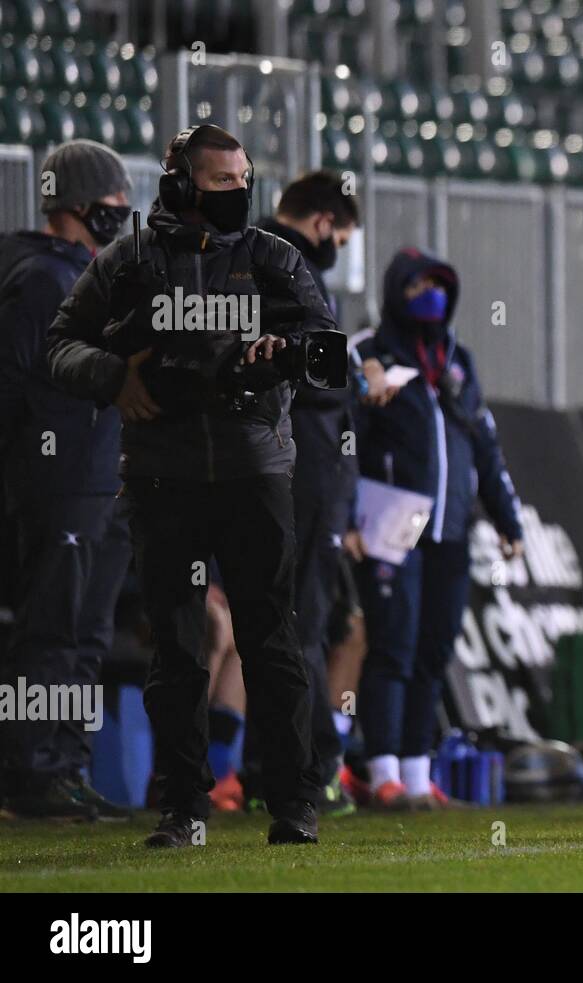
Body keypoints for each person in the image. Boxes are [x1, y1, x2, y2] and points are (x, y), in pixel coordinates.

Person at [45, 123, 334, 847]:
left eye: (244, 181)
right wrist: (116, 377)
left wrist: (282, 356)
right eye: (223, 183)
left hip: (253, 468)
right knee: (175, 648)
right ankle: (183, 809)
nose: (240, 194)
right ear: (180, 188)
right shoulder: (128, 262)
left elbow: (328, 352)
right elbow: (58, 345)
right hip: (161, 473)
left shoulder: (274, 259)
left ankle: (295, 802)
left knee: (271, 638)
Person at [352, 248, 523, 809]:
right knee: (393, 646)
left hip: (450, 526)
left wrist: (506, 518)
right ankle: (382, 773)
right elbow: (338, 440)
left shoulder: (456, 360)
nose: (431, 295)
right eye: (418, 285)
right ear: (395, 290)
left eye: (439, 284)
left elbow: (485, 444)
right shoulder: (366, 353)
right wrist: (345, 518)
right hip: (391, 522)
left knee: (432, 650)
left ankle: (418, 773)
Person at [0, 139, 135, 819]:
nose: (122, 214)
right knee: (54, 628)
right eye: (112, 204)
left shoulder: (84, 276)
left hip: (100, 476)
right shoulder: (42, 278)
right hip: (58, 482)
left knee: (86, 632)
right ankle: (30, 769)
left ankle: (67, 762)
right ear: (77, 205)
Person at [242, 170, 376, 817]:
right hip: (304, 467)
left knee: (288, 617)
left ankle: (272, 766)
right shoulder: (285, 265)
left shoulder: (262, 260)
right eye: (342, 236)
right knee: (304, 619)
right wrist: (354, 375)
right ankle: (310, 768)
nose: (339, 246)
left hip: (287, 465)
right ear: (324, 222)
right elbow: (314, 373)